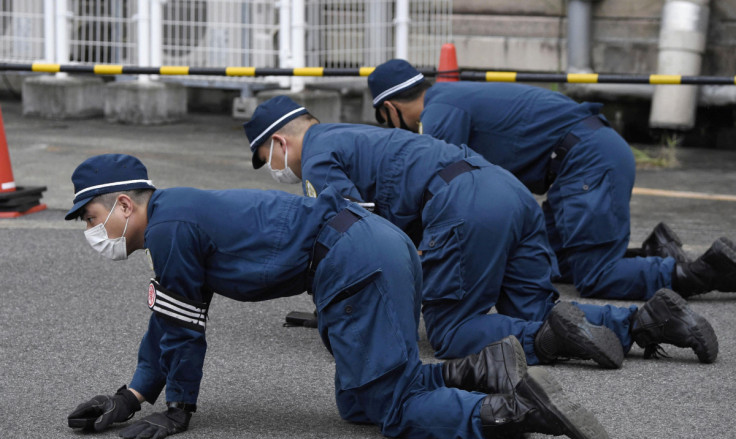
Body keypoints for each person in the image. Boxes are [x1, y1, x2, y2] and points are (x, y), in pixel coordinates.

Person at [64, 153, 612, 439]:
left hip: (352, 259)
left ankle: (516, 413)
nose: (91, 232)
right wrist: (130, 396)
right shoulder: (176, 216)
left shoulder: (172, 227)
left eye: (90, 218)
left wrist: (179, 408)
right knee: (357, 401)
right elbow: (170, 318)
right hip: (370, 244)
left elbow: (184, 333)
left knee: (389, 407)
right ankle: (480, 368)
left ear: (120, 203)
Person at [244, 96, 719, 368]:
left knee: (452, 332)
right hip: (507, 191)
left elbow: (353, 234)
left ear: (280, 141)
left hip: (463, 205)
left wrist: (339, 309)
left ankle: (555, 340)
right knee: (534, 307)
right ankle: (647, 321)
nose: (275, 170)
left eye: (268, 159)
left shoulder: (319, 153)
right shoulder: (353, 135)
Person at [366, 59, 736, 301]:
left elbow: (439, 192)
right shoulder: (450, 96)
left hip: (586, 162)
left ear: (389, 109)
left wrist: (408, 243)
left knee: (596, 276)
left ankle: (702, 272)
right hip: (580, 161)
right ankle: (657, 251)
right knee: (544, 261)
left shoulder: (440, 112)